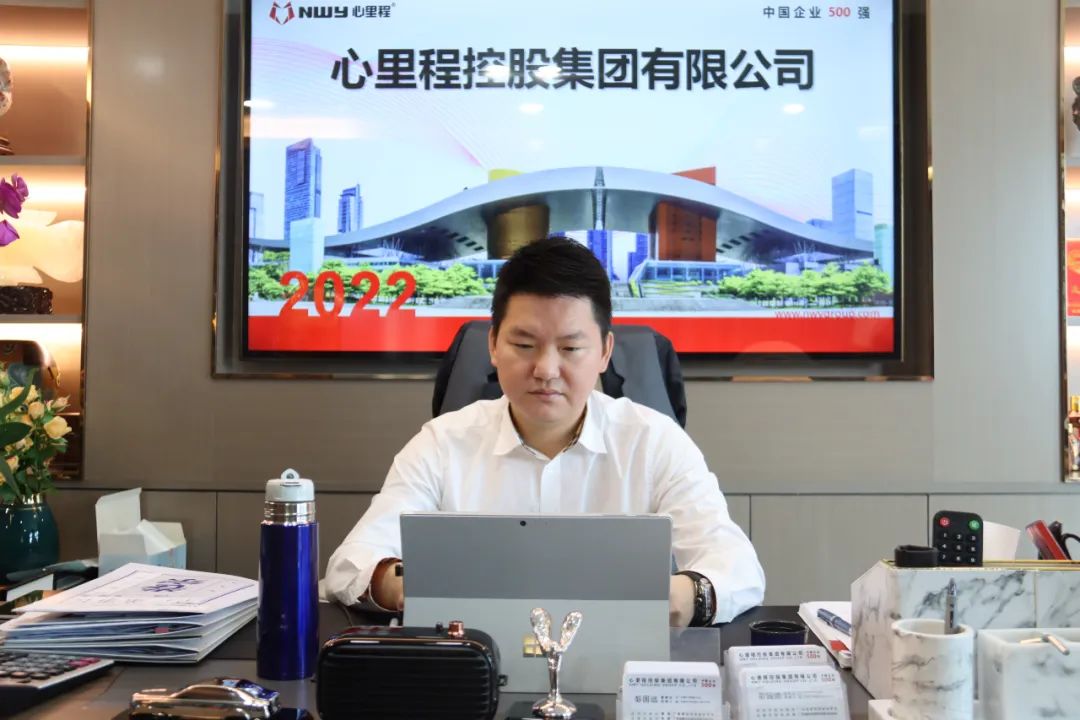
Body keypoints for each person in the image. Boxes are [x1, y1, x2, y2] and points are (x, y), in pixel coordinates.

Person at [322, 237, 765, 625]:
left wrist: (683, 595)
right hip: (475, 668)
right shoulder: (442, 443)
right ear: (493, 345)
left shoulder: (654, 441)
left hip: (621, 671)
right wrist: (404, 584)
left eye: (570, 347)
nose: (546, 369)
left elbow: (738, 569)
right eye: (524, 345)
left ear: (605, 352)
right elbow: (349, 564)